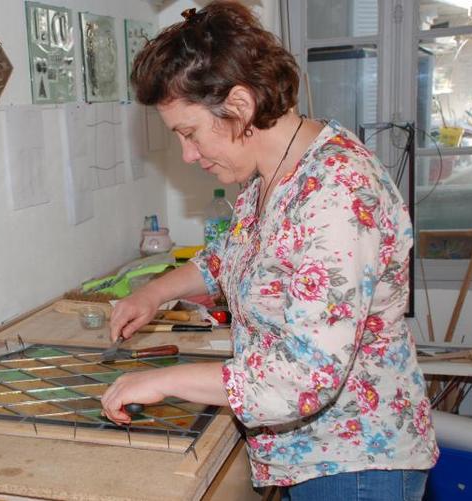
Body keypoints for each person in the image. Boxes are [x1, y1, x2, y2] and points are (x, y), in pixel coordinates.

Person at [100, 2, 438, 499]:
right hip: (312, 455)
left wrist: (164, 380)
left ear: (239, 106)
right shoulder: (272, 176)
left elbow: (304, 377)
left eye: (189, 134)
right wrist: (153, 294)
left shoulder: (337, 194)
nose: (189, 155)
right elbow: (229, 258)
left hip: (357, 463)